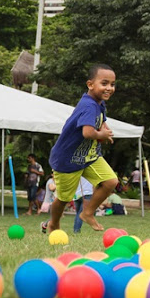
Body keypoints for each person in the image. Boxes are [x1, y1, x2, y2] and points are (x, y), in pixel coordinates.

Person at [42, 64, 119, 234]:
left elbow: (101, 120)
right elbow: (88, 132)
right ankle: (54, 223)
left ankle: (88, 212)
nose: (109, 88)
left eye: (112, 84)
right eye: (104, 83)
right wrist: (102, 135)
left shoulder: (99, 104)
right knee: (63, 199)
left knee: (111, 181)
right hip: (67, 160)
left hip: (89, 157)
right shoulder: (89, 105)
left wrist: (104, 129)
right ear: (90, 84)